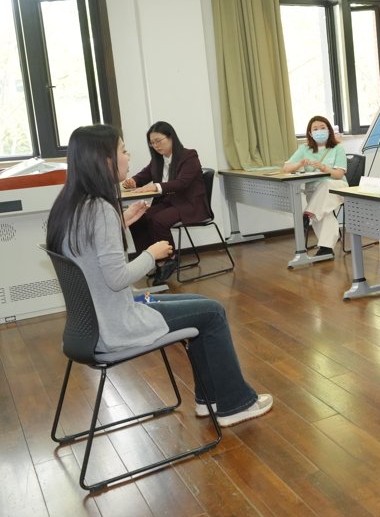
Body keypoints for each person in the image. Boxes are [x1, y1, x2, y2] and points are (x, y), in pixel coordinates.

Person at [47, 124, 273, 426]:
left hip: (90, 326)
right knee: (213, 313)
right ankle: (234, 405)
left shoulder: (70, 205)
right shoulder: (100, 210)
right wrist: (151, 254)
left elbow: (88, 251)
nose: (129, 156)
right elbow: (117, 278)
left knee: (201, 306)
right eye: (123, 150)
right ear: (105, 159)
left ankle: (209, 399)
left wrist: (122, 222)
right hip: (116, 325)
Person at [123, 121, 211, 286]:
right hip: (169, 203)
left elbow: (182, 183)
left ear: (171, 137)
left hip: (189, 204)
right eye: (152, 143)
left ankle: (169, 259)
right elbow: (143, 175)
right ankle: (151, 259)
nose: (155, 146)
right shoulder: (158, 159)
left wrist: (155, 186)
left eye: (158, 141)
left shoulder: (189, 156)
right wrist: (133, 181)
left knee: (158, 220)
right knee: (138, 218)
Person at [282, 117, 348, 261]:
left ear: (329, 130)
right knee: (324, 212)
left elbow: (339, 175)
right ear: (310, 133)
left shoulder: (338, 148)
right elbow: (286, 168)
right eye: (315, 129)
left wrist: (324, 168)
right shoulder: (304, 149)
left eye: (323, 127)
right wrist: (299, 164)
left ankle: (307, 215)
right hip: (314, 191)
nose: (319, 131)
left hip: (336, 187)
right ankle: (326, 248)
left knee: (326, 185)